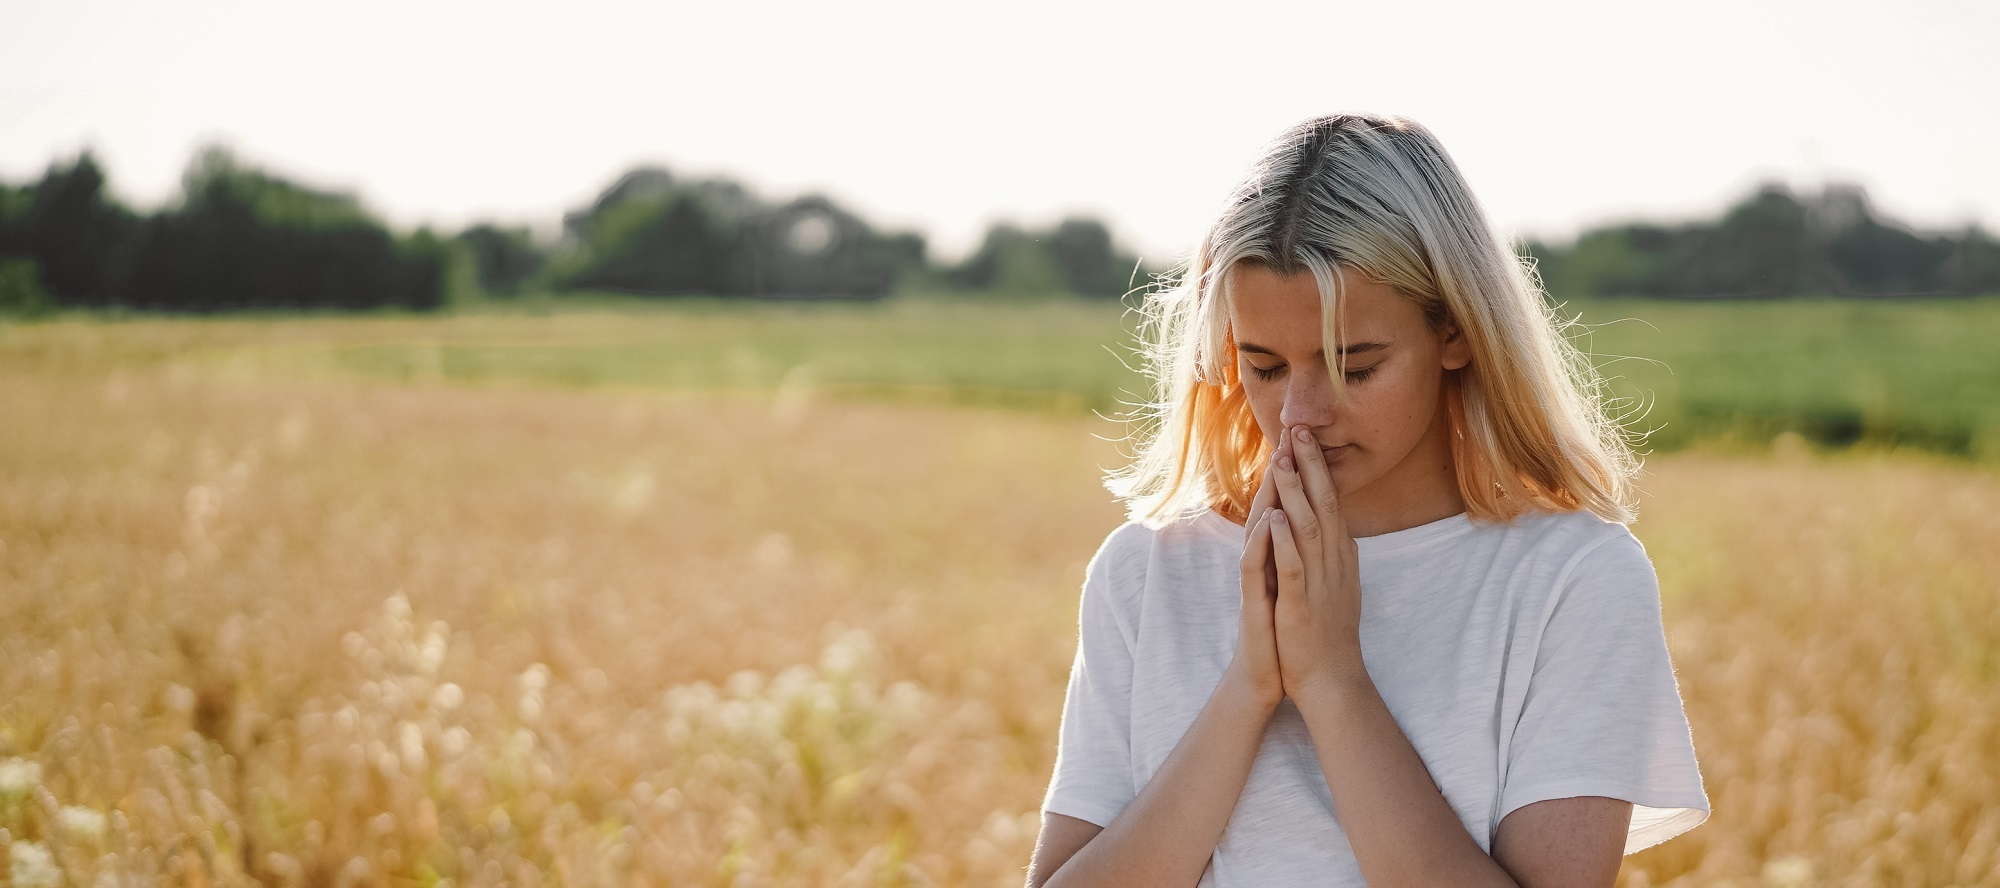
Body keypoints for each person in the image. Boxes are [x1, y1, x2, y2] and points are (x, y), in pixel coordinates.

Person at [1026, 115, 1707, 888]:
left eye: (1354, 365)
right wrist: (1250, 685)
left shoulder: (1572, 579)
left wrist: (1331, 678)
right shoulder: (1146, 573)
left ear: (1456, 329)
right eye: (1266, 367)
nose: (1301, 414)